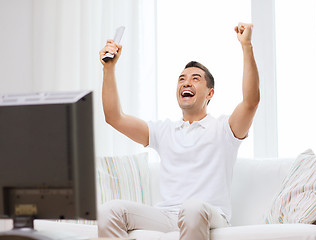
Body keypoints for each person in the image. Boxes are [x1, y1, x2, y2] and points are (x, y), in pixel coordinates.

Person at [97, 22, 260, 240]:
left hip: (210, 215)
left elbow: (251, 102)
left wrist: (246, 46)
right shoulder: (163, 131)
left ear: (210, 93)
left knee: (192, 208)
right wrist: (109, 68)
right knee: (110, 210)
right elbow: (114, 118)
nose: (186, 83)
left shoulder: (224, 129)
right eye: (181, 79)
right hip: (167, 216)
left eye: (195, 79)